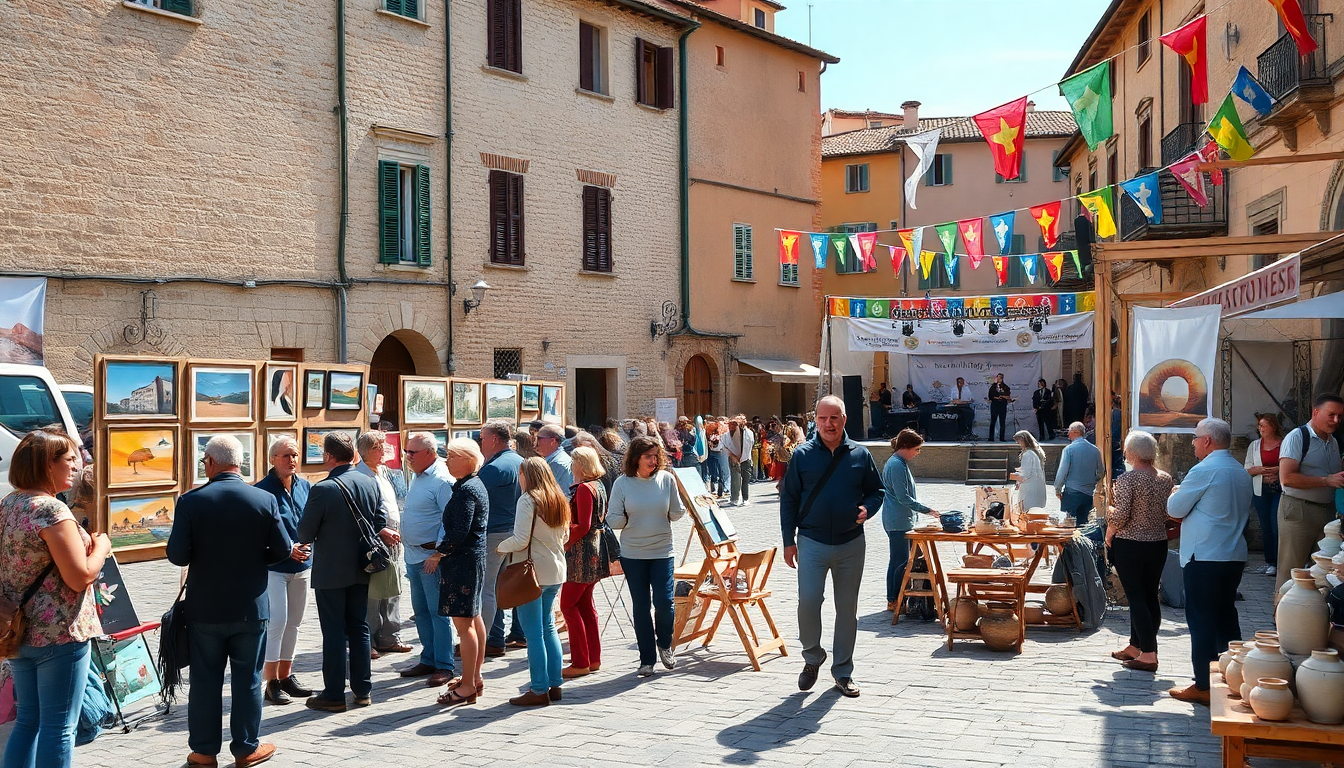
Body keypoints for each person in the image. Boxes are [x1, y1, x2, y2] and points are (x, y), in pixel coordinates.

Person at [169, 434, 290, 768]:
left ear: (209, 462)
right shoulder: (263, 499)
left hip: (205, 608)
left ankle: (204, 752)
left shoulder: (191, 501)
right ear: (241, 463)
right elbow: (281, 551)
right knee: (248, 679)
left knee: (205, 681)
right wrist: (252, 560)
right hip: (250, 607)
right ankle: (246, 748)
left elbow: (177, 555)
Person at [0, 430, 110, 768]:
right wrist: (102, 549)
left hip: (17, 629)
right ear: (48, 465)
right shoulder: (51, 511)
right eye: (70, 459)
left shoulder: (9, 503)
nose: (77, 465)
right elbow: (79, 577)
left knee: (29, 721)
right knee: (59, 727)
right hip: (59, 632)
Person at [780, 395, 883, 698]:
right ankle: (813, 656)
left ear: (844, 419)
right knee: (808, 602)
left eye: (834, 418)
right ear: (815, 421)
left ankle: (843, 671)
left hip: (851, 543)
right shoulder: (802, 455)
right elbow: (789, 500)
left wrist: (868, 509)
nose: (828, 424)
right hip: (811, 541)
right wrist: (788, 541)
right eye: (822, 419)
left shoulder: (860, 455)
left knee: (847, 610)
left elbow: (877, 491)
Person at [297, 432, 399, 712]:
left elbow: (305, 532)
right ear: (352, 454)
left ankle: (333, 693)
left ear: (328, 456)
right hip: (362, 566)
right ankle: (363, 690)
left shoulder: (323, 488)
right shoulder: (369, 482)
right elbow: (379, 521)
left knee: (333, 632)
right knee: (359, 627)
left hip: (331, 571)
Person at [1166, 418, 1252, 704]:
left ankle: (1203, 684)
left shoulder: (1203, 470)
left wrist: (1177, 492)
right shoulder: (1239, 471)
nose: (1192, 443)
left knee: (1202, 620)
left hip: (1204, 556)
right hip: (1232, 555)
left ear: (1207, 441)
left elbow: (1174, 508)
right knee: (1226, 617)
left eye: (1195, 438)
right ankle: (1233, 676)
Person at [608, 436, 685, 678]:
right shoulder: (622, 483)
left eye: (656, 456)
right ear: (635, 459)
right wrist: (627, 519)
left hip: (662, 551)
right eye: (648, 456)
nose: (653, 461)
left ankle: (665, 643)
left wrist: (680, 505)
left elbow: (676, 512)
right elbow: (613, 518)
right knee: (641, 607)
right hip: (633, 553)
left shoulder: (666, 479)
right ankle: (646, 659)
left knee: (664, 602)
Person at [497, 458, 571, 706]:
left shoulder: (529, 499)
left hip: (533, 573)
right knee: (548, 627)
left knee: (533, 633)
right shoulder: (558, 498)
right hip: (556, 570)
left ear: (526, 475)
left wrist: (499, 547)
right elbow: (566, 535)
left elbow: (519, 540)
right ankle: (555, 683)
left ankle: (539, 688)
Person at [424, 438, 489, 706]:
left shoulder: (467, 490)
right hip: (470, 559)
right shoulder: (472, 484)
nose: (447, 461)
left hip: (462, 562)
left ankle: (468, 684)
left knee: (464, 624)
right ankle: (474, 677)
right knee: (473, 619)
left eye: (451, 456)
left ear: (467, 459)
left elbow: (458, 532)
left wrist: (439, 553)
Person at [1105, 430, 1173, 675]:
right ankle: (1137, 646)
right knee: (1149, 595)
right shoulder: (1165, 479)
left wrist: (1109, 522)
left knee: (1137, 598)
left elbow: (1121, 516)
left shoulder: (1127, 480)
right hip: (1157, 543)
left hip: (1131, 544)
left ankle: (1148, 654)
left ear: (1131, 453)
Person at [254, 436, 314, 706]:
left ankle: (286, 675)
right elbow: (261, 532)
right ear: (272, 459)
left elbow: (311, 521)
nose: (291, 460)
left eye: (295, 455)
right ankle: (271, 682)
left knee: (295, 623)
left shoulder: (305, 486)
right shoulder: (262, 491)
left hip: (303, 566)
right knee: (277, 621)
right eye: (285, 456)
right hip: (275, 568)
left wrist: (310, 543)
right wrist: (288, 548)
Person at [397, 432, 458, 686]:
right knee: (421, 612)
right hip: (413, 554)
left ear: (430, 453)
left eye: (413, 452)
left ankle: (444, 664)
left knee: (437, 612)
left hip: (431, 557)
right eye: (407, 451)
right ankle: (429, 657)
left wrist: (438, 554)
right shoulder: (419, 476)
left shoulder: (442, 480)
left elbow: (450, 520)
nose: (407, 456)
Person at [1276, 393, 1344, 589]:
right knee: (1291, 569)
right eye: (1331, 415)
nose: (1336, 420)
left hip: (1327, 511)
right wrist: (1326, 480)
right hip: (1298, 509)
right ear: (1316, 412)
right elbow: (1287, 478)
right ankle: (1281, 617)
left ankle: (1312, 617)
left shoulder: (1333, 441)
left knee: (1322, 570)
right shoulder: (1297, 437)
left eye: (1340, 416)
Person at [354, 431, 410, 659]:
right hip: (376, 540)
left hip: (394, 538)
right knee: (374, 593)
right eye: (379, 447)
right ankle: (369, 639)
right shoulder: (360, 475)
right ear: (367, 451)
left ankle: (390, 635)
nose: (384, 451)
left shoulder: (384, 471)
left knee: (393, 588)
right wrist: (380, 532)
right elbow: (362, 513)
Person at [560, 447, 611, 678]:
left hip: (581, 553)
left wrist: (565, 540)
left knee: (568, 606)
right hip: (594, 550)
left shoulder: (584, 488)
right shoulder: (598, 485)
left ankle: (581, 661)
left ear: (580, 465)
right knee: (585, 606)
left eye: (574, 463)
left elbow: (583, 525)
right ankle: (593, 658)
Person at [478, 421, 524, 658]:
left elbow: (476, 501)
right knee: (501, 587)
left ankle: (484, 640)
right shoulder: (518, 461)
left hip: (494, 533)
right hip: (513, 532)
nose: (481, 442)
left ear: (494, 439)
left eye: (482, 438)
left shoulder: (494, 468)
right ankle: (495, 638)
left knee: (487, 589)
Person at [880, 429, 937, 613]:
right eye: (917, 449)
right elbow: (903, 497)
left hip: (903, 520)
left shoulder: (901, 463)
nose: (917, 453)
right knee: (899, 561)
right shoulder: (896, 465)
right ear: (906, 447)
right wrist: (927, 510)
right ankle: (893, 600)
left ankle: (902, 598)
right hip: (897, 521)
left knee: (903, 560)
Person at [1244, 413, 1285, 577]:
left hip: (1279, 490)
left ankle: (1280, 561)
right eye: (1259, 425)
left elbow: (1291, 464)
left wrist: (1278, 470)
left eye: (1263, 425)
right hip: (1261, 490)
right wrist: (1260, 470)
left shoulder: (1284, 444)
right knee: (1266, 527)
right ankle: (1270, 562)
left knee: (1277, 526)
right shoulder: (1254, 445)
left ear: (1273, 426)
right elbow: (1247, 468)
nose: (1260, 428)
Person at [1055, 421, 1103, 524]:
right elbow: (1100, 472)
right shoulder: (1095, 450)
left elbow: (1062, 472)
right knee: (1083, 524)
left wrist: (1058, 488)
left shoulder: (1069, 450)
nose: (1068, 434)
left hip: (1072, 492)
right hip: (1088, 493)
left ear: (1075, 432)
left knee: (1068, 524)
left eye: (1069, 431)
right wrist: (1091, 481)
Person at [1009, 430, 1047, 512]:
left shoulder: (1027, 454)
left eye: (1018, 441)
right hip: (1036, 487)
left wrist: (1014, 475)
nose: (1017, 444)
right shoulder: (1035, 452)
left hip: (1030, 489)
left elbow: (1025, 475)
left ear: (1023, 440)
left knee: (1028, 513)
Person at [536, 424, 573, 495]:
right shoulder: (557, 458)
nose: (536, 443)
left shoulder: (556, 464)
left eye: (539, 438)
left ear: (552, 441)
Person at [734, 417, 755, 506]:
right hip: (735, 458)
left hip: (746, 458)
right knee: (735, 479)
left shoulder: (749, 432)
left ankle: (745, 498)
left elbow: (751, 444)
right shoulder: (733, 433)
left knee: (745, 479)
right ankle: (735, 497)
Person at [705, 417, 727, 498]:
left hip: (720, 453)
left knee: (721, 472)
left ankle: (720, 491)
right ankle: (713, 489)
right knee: (712, 472)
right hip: (712, 453)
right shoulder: (711, 433)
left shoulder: (724, 433)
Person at [986, 373, 1012, 442]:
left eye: (1000, 378)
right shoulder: (993, 387)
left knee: (1002, 422)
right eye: (998, 377)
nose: (998, 379)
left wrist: (1002, 397)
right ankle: (991, 437)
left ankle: (1002, 437)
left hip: (1002, 405)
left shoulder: (1005, 387)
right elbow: (990, 396)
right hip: (995, 405)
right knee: (993, 422)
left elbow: (1008, 396)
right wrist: (996, 397)